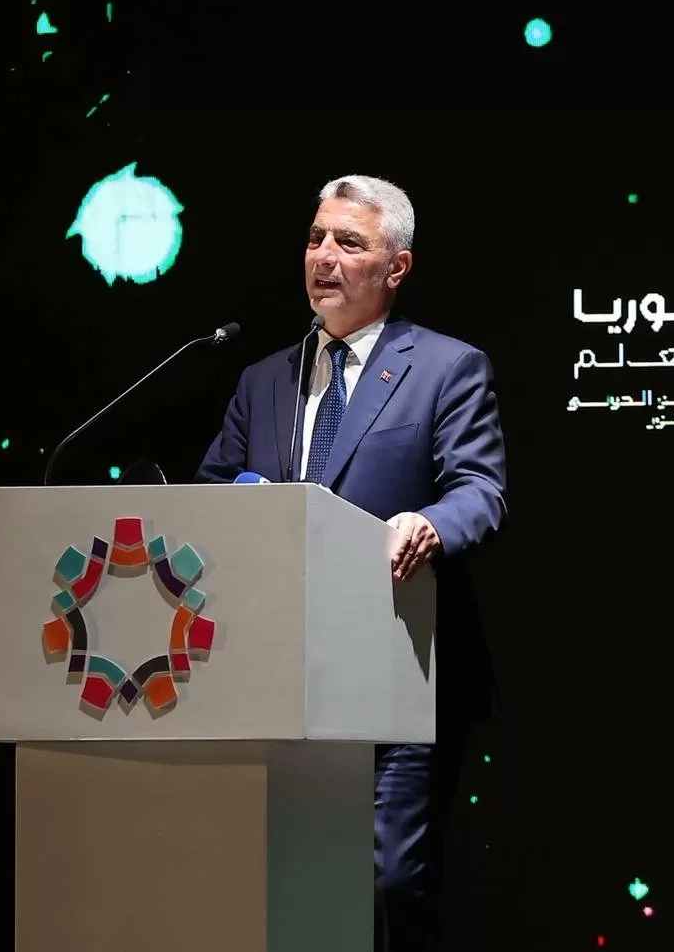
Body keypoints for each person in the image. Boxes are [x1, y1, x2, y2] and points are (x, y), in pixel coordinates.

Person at [197, 175, 507, 951]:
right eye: (315, 239)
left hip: (401, 670)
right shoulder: (262, 380)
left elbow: (480, 489)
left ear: (396, 267)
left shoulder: (446, 367)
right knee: (291, 883)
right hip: (281, 677)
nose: (323, 257)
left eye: (348, 242)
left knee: (391, 882)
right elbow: (211, 496)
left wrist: (429, 524)